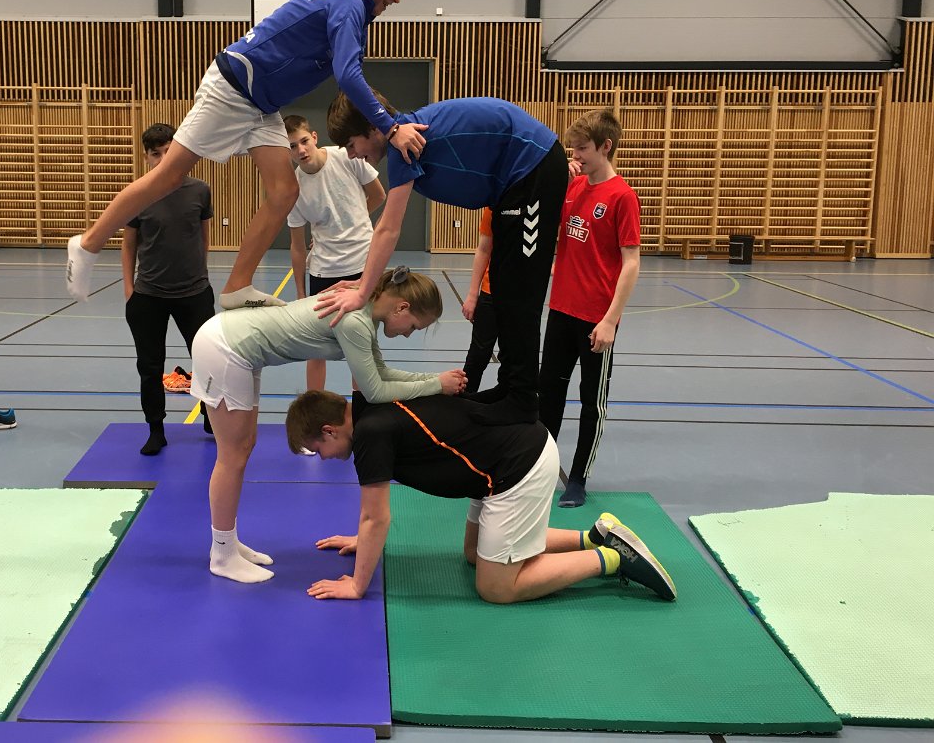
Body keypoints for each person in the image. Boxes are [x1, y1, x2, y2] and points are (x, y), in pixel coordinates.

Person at [65, 0, 426, 307]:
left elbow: (350, 78)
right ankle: (88, 243)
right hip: (234, 87)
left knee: (285, 191)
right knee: (169, 176)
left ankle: (237, 286)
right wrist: (392, 128)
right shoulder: (348, 3)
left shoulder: (351, 7)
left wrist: (392, 121)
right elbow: (348, 76)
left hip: (261, 104)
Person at [188, 268, 468, 584]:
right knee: (232, 455)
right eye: (414, 326)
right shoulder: (355, 321)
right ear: (401, 307)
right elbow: (375, 391)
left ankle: (228, 542)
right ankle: (222, 555)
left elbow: (380, 372)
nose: (409, 334)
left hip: (237, 346)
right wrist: (435, 385)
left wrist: (434, 380)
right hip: (225, 347)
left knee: (244, 447)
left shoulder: (363, 314)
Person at [284, 390, 676, 604]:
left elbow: (377, 518)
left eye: (317, 449)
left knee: (496, 588)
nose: (323, 458)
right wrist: (364, 540)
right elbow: (372, 518)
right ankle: (594, 537)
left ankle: (611, 559)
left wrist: (357, 585)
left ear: (330, 430)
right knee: (475, 555)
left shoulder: (370, 434)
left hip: (517, 466)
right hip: (499, 462)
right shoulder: (370, 408)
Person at [319, 91, 569, 426]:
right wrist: (365, 283)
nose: (351, 154)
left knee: (519, 291)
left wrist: (363, 291)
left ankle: (522, 399)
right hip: (512, 184)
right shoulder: (402, 140)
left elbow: (388, 229)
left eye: (351, 144)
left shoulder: (403, 144)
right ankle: (511, 388)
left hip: (533, 167)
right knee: (503, 285)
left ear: (373, 129)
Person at [539, 110, 641, 508]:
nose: (576, 155)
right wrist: (560, 181)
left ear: (605, 146)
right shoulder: (574, 186)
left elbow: (631, 263)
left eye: (582, 148)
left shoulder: (622, 196)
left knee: (590, 402)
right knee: (549, 396)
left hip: (596, 318)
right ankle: (540, 471)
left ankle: (579, 478)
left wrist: (610, 320)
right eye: (573, 148)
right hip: (561, 310)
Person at [121, 123, 215, 456]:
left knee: (208, 359)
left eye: (168, 151)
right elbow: (128, 244)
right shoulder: (137, 194)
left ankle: (210, 415)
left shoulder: (200, 190)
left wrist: (200, 275)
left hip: (194, 293)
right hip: (149, 295)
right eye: (155, 153)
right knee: (149, 367)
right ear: (146, 157)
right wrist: (130, 290)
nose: (162, 159)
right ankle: (156, 429)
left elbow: (204, 237)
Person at [286, 114, 386, 392]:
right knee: (315, 348)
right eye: (292, 146)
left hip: (362, 265)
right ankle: (314, 408)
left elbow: (379, 195)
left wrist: (355, 221)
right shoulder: (293, 189)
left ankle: (362, 408)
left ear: (314, 137)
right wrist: (300, 294)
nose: (301, 150)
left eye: (304, 141)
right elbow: (297, 246)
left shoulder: (347, 156)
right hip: (323, 271)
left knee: (362, 345)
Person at [461, 207, 498, 394]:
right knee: (478, 353)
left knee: (514, 357)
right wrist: (472, 295)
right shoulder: (492, 207)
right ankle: (464, 400)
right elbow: (483, 249)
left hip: (521, 299)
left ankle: (508, 402)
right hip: (490, 292)